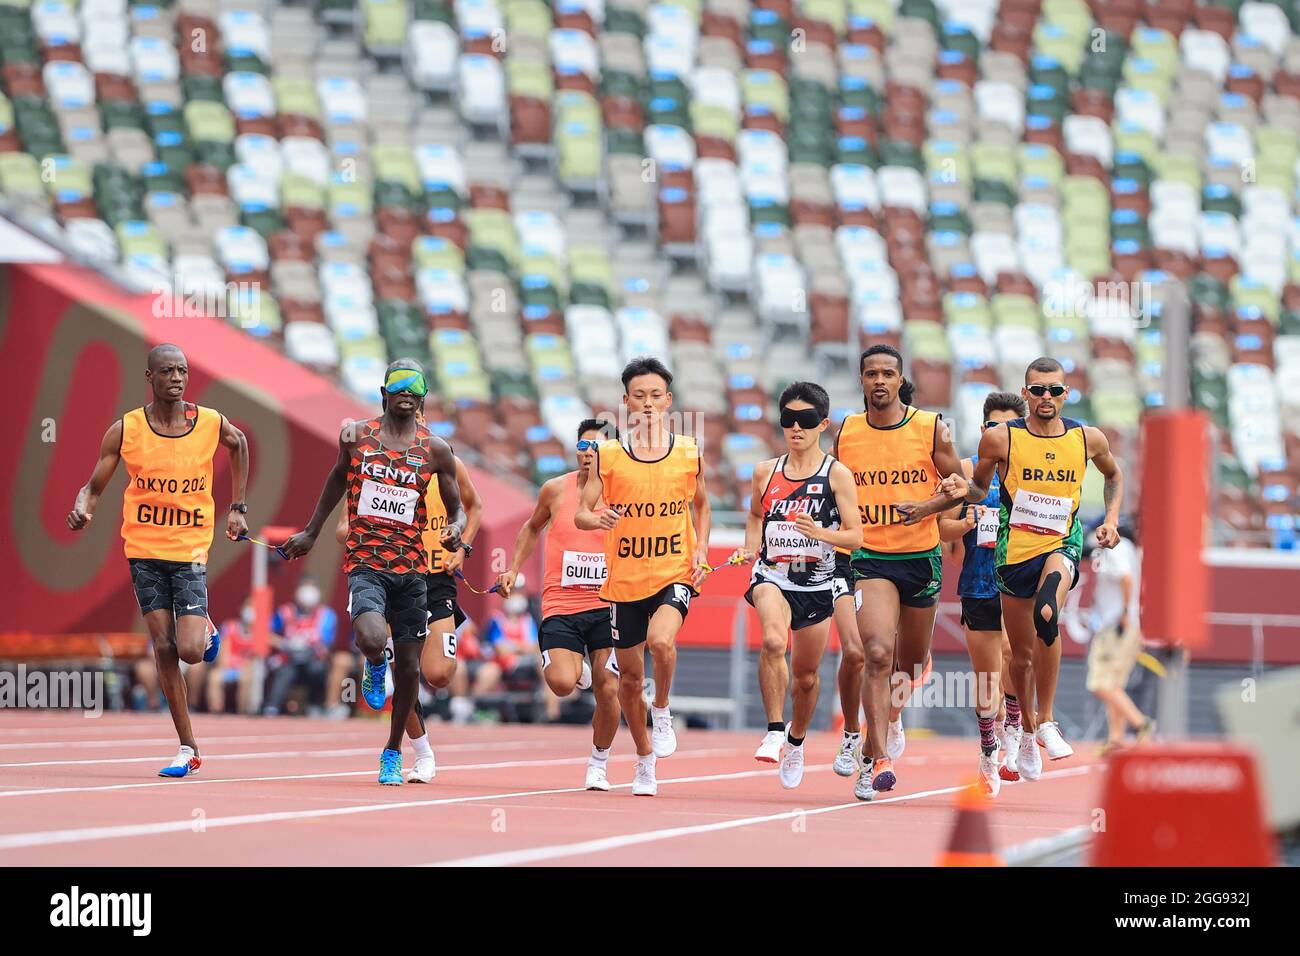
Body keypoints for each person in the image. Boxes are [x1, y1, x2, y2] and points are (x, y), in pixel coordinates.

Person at [903, 356, 1125, 782]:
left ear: (1066, 393)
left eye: (1055, 390)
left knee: (1048, 612)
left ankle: (1045, 720)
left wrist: (1111, 519)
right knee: (1019, 658)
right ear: (1027, 394)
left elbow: (1114, 474)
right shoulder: (1000, 441)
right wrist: (930, 506)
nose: (1047, 397)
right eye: (1038, 390)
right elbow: (976, 489)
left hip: (1061, 543)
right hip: (1012, 554)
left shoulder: (1087, 437)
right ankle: (1021, 733)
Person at [67, 343, 249, 777]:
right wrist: (82, 507)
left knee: (188, 649)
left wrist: (239, 506)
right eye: (167, 371)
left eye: (183, 371)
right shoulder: (126, 429)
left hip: (188, 549)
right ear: (150, 377)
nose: (177, 378)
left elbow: (238, 443)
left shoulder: (207, 422)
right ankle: (188, 746)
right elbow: (92, 486)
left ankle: (202, 627)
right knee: (164, 647)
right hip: (144, 551)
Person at [281, 358, 465, 785]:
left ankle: (392, 752)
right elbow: (335, 480)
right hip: (366, 563)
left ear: (422, 398)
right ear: (383, 393)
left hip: (412, 570)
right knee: (370, 637)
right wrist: (310, 532)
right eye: (397, 383)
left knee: (412, 671)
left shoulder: (436, 450)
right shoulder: (357, 438)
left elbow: (456, 508)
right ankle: (373, 660)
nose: (405, 390)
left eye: (413, 385)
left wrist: (456, 531)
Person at [575, 356, 712, 797]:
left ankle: (665, 706)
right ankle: (643, 757)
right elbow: (581, 510)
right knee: (629, 680)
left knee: (662, 641)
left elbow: (702, 505)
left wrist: (703, 549)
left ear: (668, 401)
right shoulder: (608, 455)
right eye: (639, 396)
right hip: (624, 582)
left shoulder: (689, 450)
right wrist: (594, 519)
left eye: (656, 396)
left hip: (674, 571)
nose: (648, 403)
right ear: (626, 402)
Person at [834, 344, 965, 800]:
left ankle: (893, 712)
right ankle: (875, 759)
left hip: (920, 556)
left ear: (900, 379)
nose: (880, 381)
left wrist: (926, 506)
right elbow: (833, 488)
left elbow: (962, 487)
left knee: (906, 665)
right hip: (869, 556)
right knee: (874, 651)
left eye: (888, 373)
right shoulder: (847, 430)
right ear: (862, 381)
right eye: (871, 374)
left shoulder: (931, 427)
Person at [730, 383, 863, 789]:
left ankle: (796, 738)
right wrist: (751, 547)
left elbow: (855, 537)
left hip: (818, 584)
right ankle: (773, 728)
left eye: (805, 421)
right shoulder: (764, 471)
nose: (796, 428)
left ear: (823, 424)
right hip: (772, 575)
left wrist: (821, 532)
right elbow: (756, 515)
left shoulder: (836, 474)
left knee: (806, 678)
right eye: (788, 420)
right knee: (773, 641)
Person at [333, 441, 483, 780]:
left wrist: (462, 549)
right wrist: (373, 528)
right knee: (406, 669)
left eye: (417, 410)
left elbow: (475, 508)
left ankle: (381, 669)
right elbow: (342, 528)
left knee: (440, 673)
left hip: (435, 579)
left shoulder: (448, 463)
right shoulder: (375, 466)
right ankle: (419, 752)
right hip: (389, 574)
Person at [496, 419, 623, 790]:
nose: (588, 455)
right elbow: (533, 527)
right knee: (561, 684)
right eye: (583, 447)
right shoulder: (555, 490)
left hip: (608, 604)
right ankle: (577, 670)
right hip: (561, 604)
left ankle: (599, 761)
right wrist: (512, 568)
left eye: (596, 448)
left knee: (609, 688)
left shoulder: (623, 492)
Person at [937, 391, 1026, 796]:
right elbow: (942, 533)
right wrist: (967, 523)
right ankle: (988, 749)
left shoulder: (1028, 473)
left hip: (1017, 581)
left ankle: (1014, 728)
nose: (998, 433)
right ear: (982, 428)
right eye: (992, 426)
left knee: (1014, 653)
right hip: (977, 585)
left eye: (1006, 428)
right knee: (986, 676)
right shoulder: (967, 473)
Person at [1085, 525, 1155, 753]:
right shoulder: (1130, 550)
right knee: (1114, 685)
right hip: (1125, 625)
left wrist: (1124, 614)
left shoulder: (1116, 548)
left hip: (1116, 627)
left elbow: (1125, 579)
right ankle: (1116, 738)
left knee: (1099, 683)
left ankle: (1140, 723)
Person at [263, 576, 336, 716]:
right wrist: (285, 644)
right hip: (289, 658)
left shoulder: (326, 615)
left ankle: (314, 705)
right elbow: (266, 634)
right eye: (304, 587)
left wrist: (311, 647)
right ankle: (271, 707)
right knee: (284, 672)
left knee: (319, 669)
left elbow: (327, 644)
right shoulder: (285, 612)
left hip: (313, 659)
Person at [207, 599, 258, 714]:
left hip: (244, 670)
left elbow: (255, 658)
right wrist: (223, 665)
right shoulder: (230, 626)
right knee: (214, 677)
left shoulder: (258, 633)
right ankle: (216, 710)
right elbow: (224, 650)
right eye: (248, 606)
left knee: (246, 678)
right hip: (229, 667)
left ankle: (241, 712)